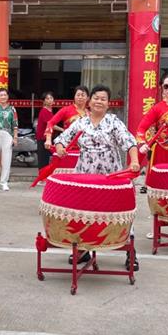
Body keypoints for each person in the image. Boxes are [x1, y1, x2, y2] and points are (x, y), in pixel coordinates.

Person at [54, 85, 140, 269]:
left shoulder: (113, 122)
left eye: (103, 99)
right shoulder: (81, 122)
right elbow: (62, 138)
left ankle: (130, 251)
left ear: (108, 104)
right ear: (89, 101)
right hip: (85, 175)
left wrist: (134, 161)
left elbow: (129, 142)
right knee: (84, 211)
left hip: (111, 176)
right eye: (96, 98)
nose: (99, 101)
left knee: (120, 211)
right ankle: (83, 250)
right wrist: (60, 147)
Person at [44, 85, 89, 150]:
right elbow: (50, 123)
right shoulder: (66, 110)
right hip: (67, 148)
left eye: (83, 95)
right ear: (74, 97)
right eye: (78, 95)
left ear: (87, 98)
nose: (80, 97)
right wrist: (48, 139)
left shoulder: (90, 113)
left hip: (85, 149)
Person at [35, 91, 55, 170]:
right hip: (42, 138)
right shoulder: (44, 111)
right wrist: (63, 129)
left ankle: (44, 177)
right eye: (47, 98)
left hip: (48, 138)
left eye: (51, 98)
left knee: (47, 158)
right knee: (43, 159)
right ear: (44, 101)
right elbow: (50, 124)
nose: (49, 100)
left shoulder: (50, 110)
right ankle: (41, 178)